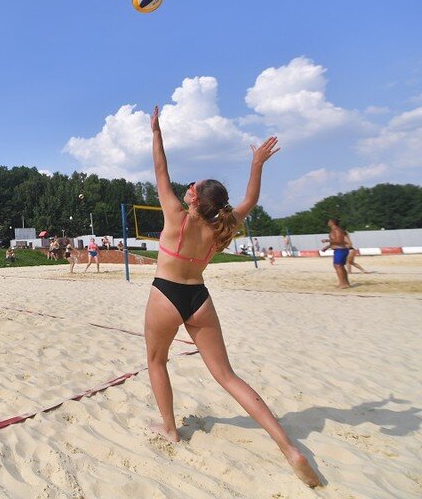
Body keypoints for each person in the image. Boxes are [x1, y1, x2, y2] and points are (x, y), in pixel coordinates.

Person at [146, 105, 320, 487]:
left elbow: (161, 170)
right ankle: (288, 447)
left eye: (192, 187)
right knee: (227, 375)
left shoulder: (176, 214)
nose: (187, 187)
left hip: (166, 294)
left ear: (193, 198)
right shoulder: (222, 224)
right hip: (199, 298)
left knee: (157, 363)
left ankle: (171, 430)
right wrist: (257, 163)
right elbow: (251, 199)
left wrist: (156, 131)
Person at [321, 219, 350, 289]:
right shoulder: (334, 230)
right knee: (340, 266)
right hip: (340, 249)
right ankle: (346, 283)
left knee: (338, 266)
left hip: (340, 249)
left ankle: (342, 283)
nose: (327, 222)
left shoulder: (337, 230)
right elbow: (334, 242)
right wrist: (327, 247)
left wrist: (327, 240)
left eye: (329, 221)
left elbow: (339, 241)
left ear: (332, 223)